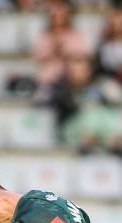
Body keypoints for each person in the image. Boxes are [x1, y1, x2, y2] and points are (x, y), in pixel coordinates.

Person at [32, 1, 93, 133]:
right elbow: (40, 57)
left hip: (73, 79)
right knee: (59, 92)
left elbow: (82, 55)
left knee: (65, 89)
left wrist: (65, 53)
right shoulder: (44, 36)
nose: (58, 19)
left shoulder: (76, 34)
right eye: (55, 16)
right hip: (51, 79)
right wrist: (55, 50)